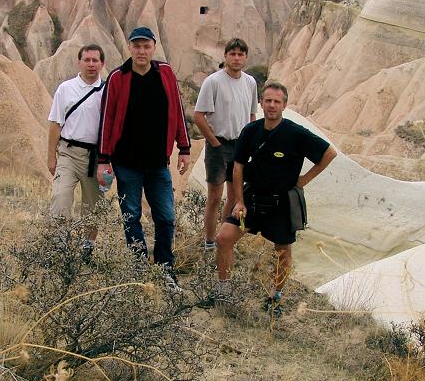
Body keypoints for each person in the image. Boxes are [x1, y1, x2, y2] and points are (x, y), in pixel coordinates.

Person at [214, 82, 337, 316]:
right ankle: (224, 290)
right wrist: (239, 201)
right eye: (268, 100)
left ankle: (275, 297)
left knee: (283, 252)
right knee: (223, 238)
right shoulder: (251, 131)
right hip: (252, 198)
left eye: (276, 101)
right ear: (261, 103)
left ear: (284, 104)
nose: (271, 105)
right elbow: (238, 166)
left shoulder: (296, 133)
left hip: (282, 202)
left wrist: (304, 180)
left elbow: (329, 153)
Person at [96, 27, 191, 288]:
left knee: (166, 216)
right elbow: (107, 120)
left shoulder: (166, 73)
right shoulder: (118, 77)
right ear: (129, 48)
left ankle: (164, 268)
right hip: (126, 163)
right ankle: (139, 267)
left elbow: (178, 110)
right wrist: (103, 160)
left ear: (153, 47)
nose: (141, 51)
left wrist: (184, 148)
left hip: (158, 162)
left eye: (146, 46)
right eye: (136, 46)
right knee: (132, 215)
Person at [193, 38, 258, 252]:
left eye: (241, 54)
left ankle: (224, 238)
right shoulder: (213, 82)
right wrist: (214, 142)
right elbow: (199, 116)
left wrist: (251, 143)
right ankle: (209, 242)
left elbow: (251, 115)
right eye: (233, 54)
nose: (237, 58)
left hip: (240, 145)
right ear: (226, 56)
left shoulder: (250, 83)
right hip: (218, 144)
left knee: (234, 196)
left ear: (246, 57)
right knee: (214, 197)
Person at [47, 44, 106, 256]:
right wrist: (51, 157)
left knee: (92, 207)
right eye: (87, 60)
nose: (91, 64)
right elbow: (55, 124)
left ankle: (87, 249)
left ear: (102, 64)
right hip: (68, 153)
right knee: (61, 198)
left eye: (95, 60)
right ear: (78, 62)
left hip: (95, 158)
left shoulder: (107, 91)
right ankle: (59, 246)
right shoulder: (66, 89)